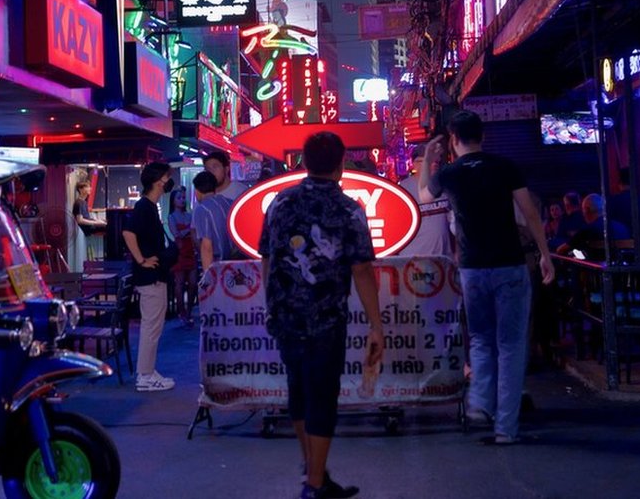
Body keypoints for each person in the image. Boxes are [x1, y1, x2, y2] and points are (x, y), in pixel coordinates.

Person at [259, 132, 383, 499]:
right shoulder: (348, 209)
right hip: (326, 317)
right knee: (322, 396)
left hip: (285, 314)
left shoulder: (280, 202)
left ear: (304, 161)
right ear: (342, 163)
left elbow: (266, 256)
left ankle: (314, 470)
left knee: (298, 388)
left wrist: (272, 302)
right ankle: (314, 485)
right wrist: (376, 325)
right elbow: (362, 269)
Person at [421, 110, 554, 445]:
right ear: (483, 136)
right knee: (510, 346)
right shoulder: (504, 167)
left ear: (452, 140)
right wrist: (545, 254)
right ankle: (505, 429)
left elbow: (423, 194)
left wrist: (428, 159)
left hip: (472, 268)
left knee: (480, 339)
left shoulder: (449, 173)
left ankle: (481, 402)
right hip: (510, 265)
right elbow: (530, 212)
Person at [123, 162, 176, 392]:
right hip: (150, 277)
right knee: (151, 327)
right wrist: (142, 259)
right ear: (158, 180)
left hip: (154, 275)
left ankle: (148, 371)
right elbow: (128, 232)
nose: (168, 182)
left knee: (153, 326)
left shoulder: (150, 207)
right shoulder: (144, 207)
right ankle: (145, 375)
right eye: (166, 177)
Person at [398, 145, 452, 259]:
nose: (434, 164)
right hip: (413, 259)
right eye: (428, 160)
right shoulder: (402, 190)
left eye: (436, 160)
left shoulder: (444, 186)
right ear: (415, 164)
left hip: (443, 258)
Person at [557, 194, 631, 259]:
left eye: (583, 211)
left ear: (587, 210)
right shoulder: (622, 227)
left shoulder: (587, 230)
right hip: (622, 272)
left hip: (595, 272)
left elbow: (561, 250)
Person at [191, 171, 236, 271]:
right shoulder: (230, 203)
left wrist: (208, 277)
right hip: (236, 263)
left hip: (217, 266)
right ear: (215, 188)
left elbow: (207, 247)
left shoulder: (202, 209)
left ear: (197, 190)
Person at [167, 186, 197, 327]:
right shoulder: (171, 216)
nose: (182, 200)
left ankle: (189, 310)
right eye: (179, 198)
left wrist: (187, 232)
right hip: (179, 252)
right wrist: (188, 230)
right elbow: (176, 234)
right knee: (179, 283)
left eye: (183, 197)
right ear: (173, 201)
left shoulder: (189, 215)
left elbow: (193, 231)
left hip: (190, 250)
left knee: (192, 283)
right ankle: (182, 312)